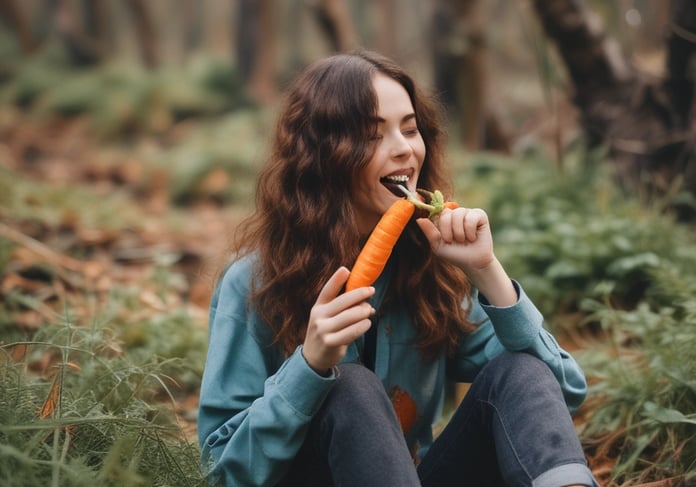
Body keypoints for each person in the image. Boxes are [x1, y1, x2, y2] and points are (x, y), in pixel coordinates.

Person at [197, 49, 598, 487]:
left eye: (411, 129)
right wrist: (309, 367)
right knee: (349, 387)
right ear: (322, 155)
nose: (404, 148)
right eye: (373, 135)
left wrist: (487, 272)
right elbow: (220, 471)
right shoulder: (254, 283)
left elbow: (562, 391)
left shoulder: (430, 267)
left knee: (519, 369)